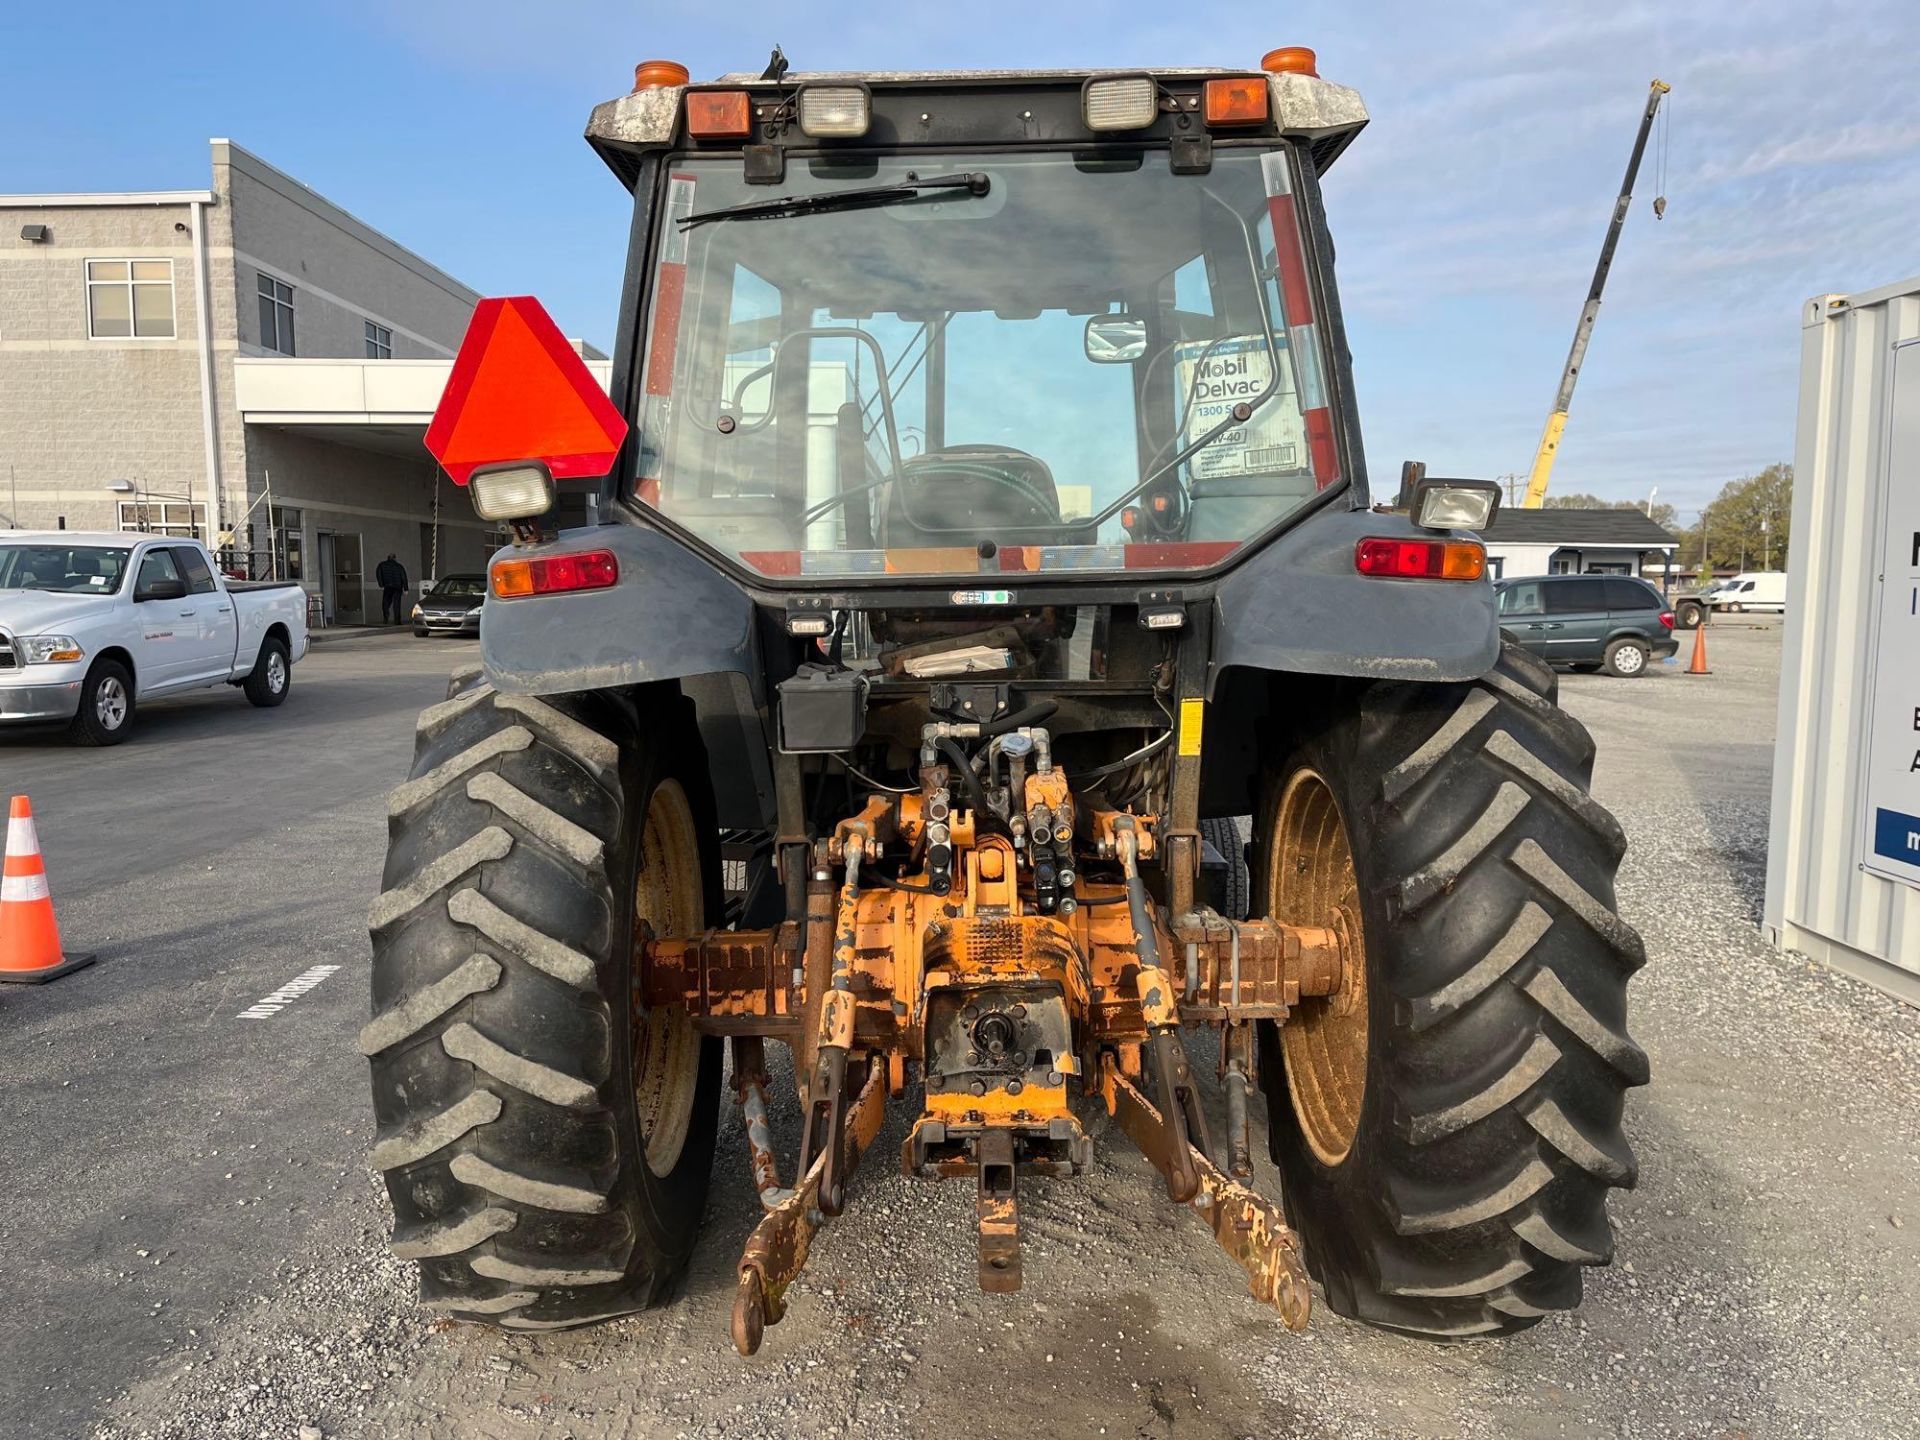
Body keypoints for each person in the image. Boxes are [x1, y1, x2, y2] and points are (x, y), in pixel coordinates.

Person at [375, 553, 409, 625]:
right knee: (396, 604)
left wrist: (381, 584)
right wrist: (406, 589)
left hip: (388, 587)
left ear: (388, 558)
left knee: (385, 603)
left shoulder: (382, 565)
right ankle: (397, 621)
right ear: (395, 558)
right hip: (397, 587)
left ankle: (385, 618)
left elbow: (378, 574)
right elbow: (404, 577)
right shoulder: (399, 566)